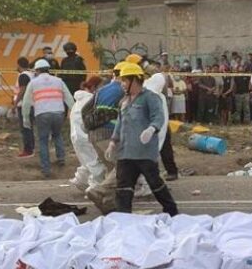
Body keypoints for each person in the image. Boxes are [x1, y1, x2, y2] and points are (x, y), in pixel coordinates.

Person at [105, 63, 179, 216]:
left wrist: (151, 129)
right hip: (125, 152)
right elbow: (120, 123)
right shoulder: (124, 101)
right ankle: (123, 216)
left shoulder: (150, 98)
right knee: (123, 187)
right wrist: (113, 142)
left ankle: (172, 211)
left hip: (144, 152)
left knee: (154, 183)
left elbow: (158, 117)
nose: (122, 84)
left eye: (125, 80)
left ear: (135, 80)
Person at [22, 59, 75, 178]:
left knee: (43, 140)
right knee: (57, 135)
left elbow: (26, 103)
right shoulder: (58, 81)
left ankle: (46, 168)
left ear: (37, 70)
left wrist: (26, 119)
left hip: (42, 113)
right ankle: (61, 158)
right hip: (58, 112)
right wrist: (74, 111)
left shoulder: (33, 83)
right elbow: (69, 98)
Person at [69, 76, 105, 193]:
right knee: (96, 163)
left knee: (86, 161)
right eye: (101, 86)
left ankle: (81, 181)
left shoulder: (78, 101)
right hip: (86, 137)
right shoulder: (92, 101)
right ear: (94, 87)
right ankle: (95, 188)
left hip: (76, 137)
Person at [145, 72, 179, 181]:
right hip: (157, 126)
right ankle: (168, 172)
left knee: (163, 149)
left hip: (158, 126)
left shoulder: (153, 93)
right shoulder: (155, 94)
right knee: (163, 149)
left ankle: (170, 172)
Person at [14, 57, 35, 158]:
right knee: (29, 127)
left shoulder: (23, 76)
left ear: (19, 65)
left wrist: (15, 103)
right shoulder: (32, 74)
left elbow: (22, 90)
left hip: (24, 105)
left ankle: (28, 150)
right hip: (32, 104)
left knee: (25, 128)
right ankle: (31, 148)